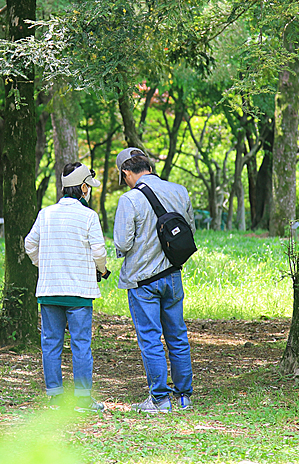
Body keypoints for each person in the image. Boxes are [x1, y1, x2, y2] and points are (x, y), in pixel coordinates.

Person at [113, 147, 195, 413]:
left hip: (143, 281)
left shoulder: (129, 200)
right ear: (148, 166)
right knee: (178, 336)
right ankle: (184, 397)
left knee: (150, 338)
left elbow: (123, 243)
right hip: (173, 276)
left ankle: (159, 400)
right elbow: (189, 231)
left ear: (127, 172)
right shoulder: (179, 191)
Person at [24, 162, 109, 412]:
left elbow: (30, 244)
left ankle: (56, 399)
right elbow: (99, 251)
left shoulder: (45, 214)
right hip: (79, 292)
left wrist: (44, 264)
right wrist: (102, 270)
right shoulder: (89, 216)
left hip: (50, 290)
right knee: (81, 344)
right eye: (88, 187)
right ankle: (83, 399)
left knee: (51, 343)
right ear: (83, 187)